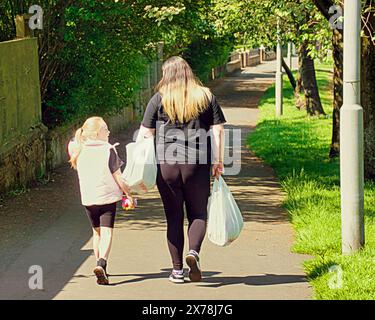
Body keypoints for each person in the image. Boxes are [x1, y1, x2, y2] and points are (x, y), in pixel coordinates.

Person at [138, 56, 226, 283]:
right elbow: (217, 131)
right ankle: (193, 252)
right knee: (198, 213)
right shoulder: (206, 97)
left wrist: (141, 167)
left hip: (166, 165)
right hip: (197, 164)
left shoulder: (159, 99)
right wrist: (218, 161)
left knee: (173, 217)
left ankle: (177, 271)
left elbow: (145, 134)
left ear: (166, 75)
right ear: (189, 72)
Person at [68, 116, 134, 285]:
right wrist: (129, 194)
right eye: (106, 129)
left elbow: (73, 146)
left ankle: (100, 267)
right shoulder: (108, 150)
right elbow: (118, 177)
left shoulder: (79, 149)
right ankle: (102, 263)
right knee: (107, 232)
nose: (109, 132)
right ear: (98, 133)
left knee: (96, 232)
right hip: (107, 198)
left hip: (88, 199)